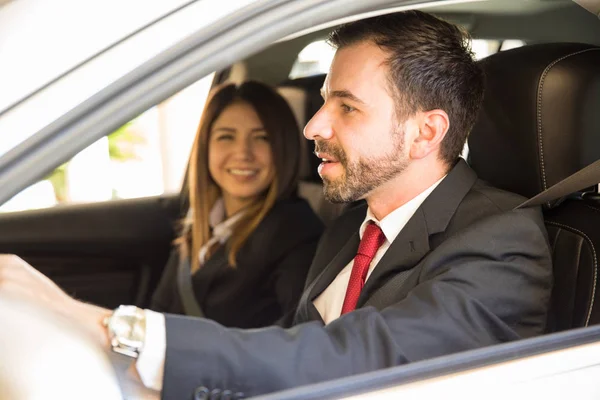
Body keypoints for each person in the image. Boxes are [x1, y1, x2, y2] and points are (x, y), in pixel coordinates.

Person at [0, 10, 553, 399]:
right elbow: (288, 348)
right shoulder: (352, 225)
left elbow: (351, 360)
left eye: (347, 108)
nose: (313, 126)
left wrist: (108, 327)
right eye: (321, 103)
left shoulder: (502, 238)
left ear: (425, 132)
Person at [149, 81, 324, 328]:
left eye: (262, 138)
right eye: (226, 137)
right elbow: (158, 313)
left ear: (283, 148)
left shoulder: (295, 233)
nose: (243, 153)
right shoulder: (199, 228)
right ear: (205, 148)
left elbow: (292, 338)